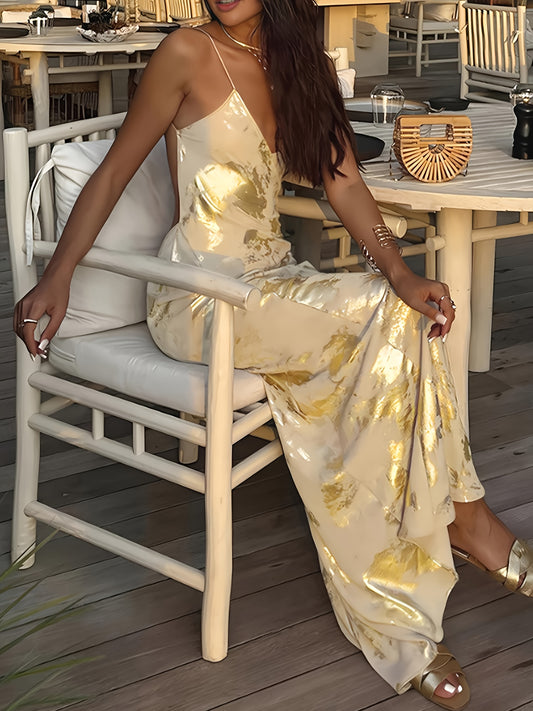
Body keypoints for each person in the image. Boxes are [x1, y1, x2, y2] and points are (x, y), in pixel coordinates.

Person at [13, 0, 532, 707]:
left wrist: (399, 270)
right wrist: (59, 274)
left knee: (404, 315)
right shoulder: (186, 52)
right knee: (385, 319)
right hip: (198, 298)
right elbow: (112, 173)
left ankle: (444, 536)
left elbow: (342, 178)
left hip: (273, 282)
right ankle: (456, 529)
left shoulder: (297, 64)